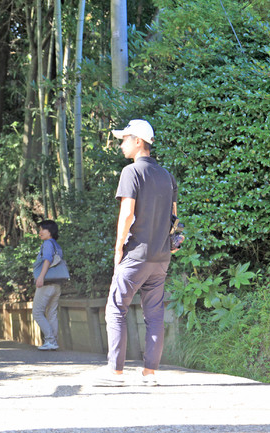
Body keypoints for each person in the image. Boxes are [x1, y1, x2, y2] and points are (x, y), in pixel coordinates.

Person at [96, 119, 178, 386]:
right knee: (154, 314)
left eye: (125, 139)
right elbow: (174, 218)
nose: (122, 144)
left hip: (136, 255)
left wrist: (119, 248)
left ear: (138, 141)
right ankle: (149, 373)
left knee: (116, 308)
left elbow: (127, 212)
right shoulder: (167, 176)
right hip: (161, 257)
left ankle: (116, 373)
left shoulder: (131, 172)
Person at [32, 220, 63, 351]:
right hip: (57, 283)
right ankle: (53, 341)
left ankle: (50, 340)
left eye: (42, 229)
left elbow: (48, 259)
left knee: (37, 312)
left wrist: (41, 277)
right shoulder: (57, 245)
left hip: (47, 283)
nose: (40, 232)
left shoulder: (47, 243)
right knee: (51, 312)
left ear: (50, 231)